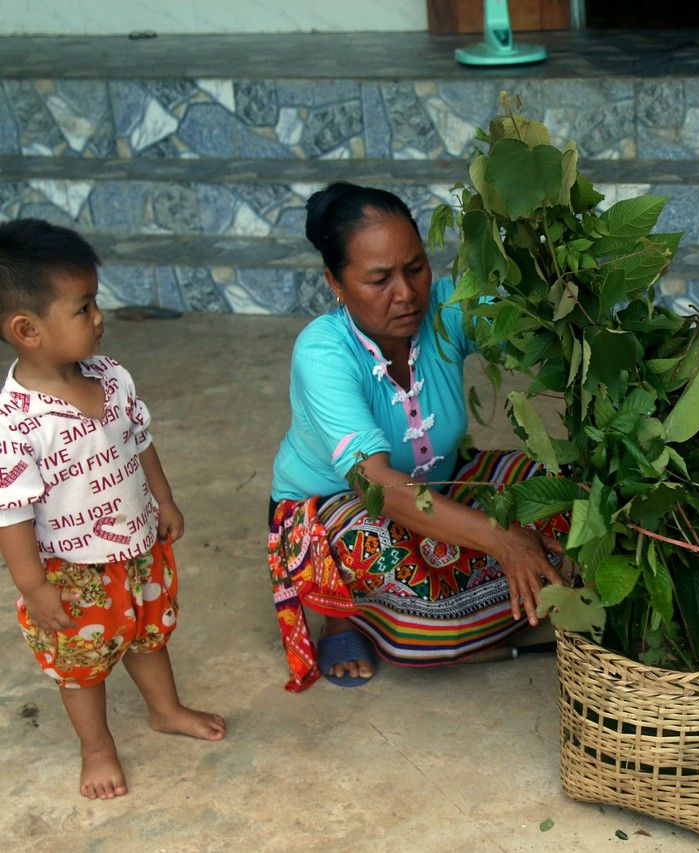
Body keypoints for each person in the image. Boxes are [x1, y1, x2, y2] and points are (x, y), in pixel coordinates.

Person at [268, 182, 566, 692]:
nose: (406, 294)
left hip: (440, 489)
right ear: (335, 283)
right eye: (379, 279)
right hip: (341, 510)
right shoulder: (323, 352)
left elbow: (530, 322)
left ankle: (515, 594)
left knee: (559, 491)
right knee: (375, 543)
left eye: (416, 268)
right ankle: (345, 616)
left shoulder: (448, 308)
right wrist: (499, 539)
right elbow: (379, 487)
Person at [0, 219, 225, 800]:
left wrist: (165, 499)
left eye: (94, 301)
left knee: (150, 636)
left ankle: (165, 709)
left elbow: (139, 441)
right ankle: (96, 747)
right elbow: (11, 513)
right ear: (27, 329)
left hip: (139, 547)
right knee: (83, 664)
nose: (100, 317)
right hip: (71, 573)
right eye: (83, 307)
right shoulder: (17, 422)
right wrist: (34, 586)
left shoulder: (112, 376)